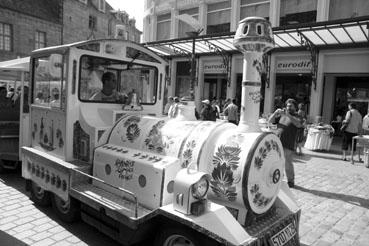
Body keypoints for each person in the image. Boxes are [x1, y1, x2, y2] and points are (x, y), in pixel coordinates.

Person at [269, 98, 302, 188]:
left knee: (288, 163)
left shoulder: (297, 116)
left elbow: (298, 124)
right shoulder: (281, 115)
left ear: (295, 107)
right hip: (278, 143)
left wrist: (288, 115)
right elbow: (270, 121)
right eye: (287, 106)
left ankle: (291, 181)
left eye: (290, 106)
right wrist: (275, 113)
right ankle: (278, 179)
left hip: (289, 143)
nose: (288, 107)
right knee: (277, 162)